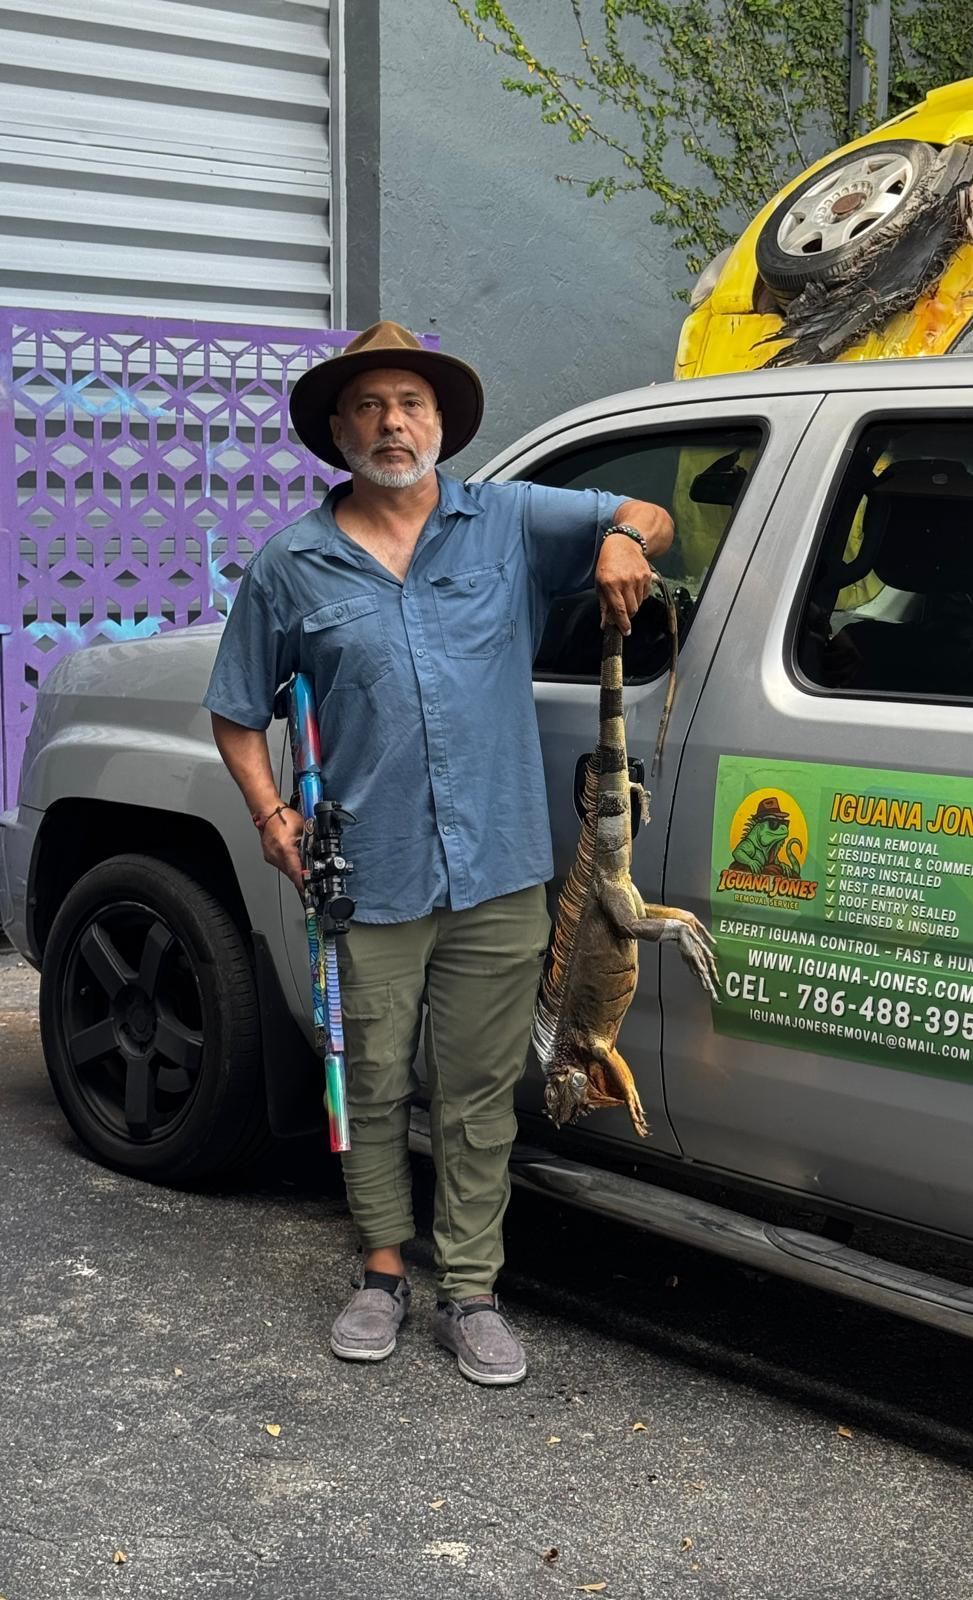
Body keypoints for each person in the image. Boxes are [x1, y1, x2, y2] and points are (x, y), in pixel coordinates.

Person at [203, 321, 673, 1386]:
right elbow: (237, 710)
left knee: (476, 1086)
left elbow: (649, 511)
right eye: (368, 406)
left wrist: (624, 541)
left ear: (441, 422)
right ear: (338, 430)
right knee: (368, 1074)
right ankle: (379, 1272)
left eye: (409, 403)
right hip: (366, 868)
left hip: (500, 865)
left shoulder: (505, 521)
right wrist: (274, 819)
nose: (392, 423)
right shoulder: (292, 564)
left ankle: (470, 1288)